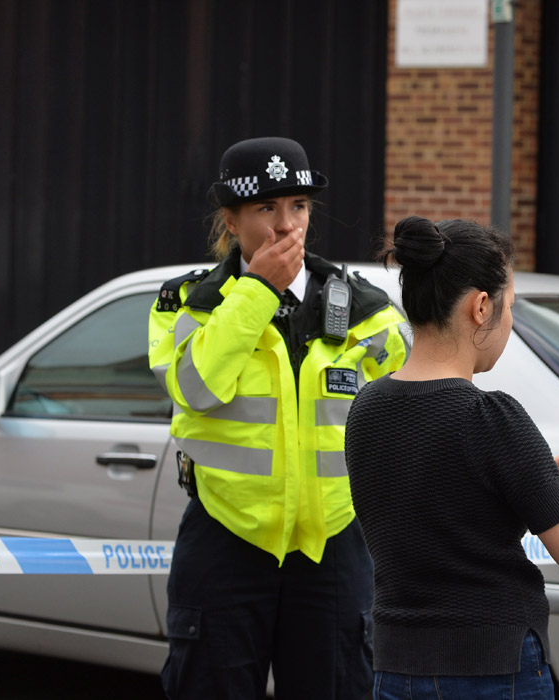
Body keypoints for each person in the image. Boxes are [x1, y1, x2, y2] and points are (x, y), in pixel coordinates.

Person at [147, 136, 409, 700]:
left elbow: (410, 407)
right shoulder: (189, 303)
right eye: (266, 208)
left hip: (333, 547)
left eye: (299, 207)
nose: (285, 226)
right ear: (231, 219)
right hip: (225, 537)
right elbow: (195, 386)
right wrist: (256, 291)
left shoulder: (366, 309)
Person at [344, 216, 559, 699]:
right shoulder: (491, 416)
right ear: (480, 307)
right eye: (509, 306)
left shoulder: (365, 408)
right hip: (493, 667)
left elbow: (440, 502)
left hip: (396, 666)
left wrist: (535, 478)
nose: (509, 321)